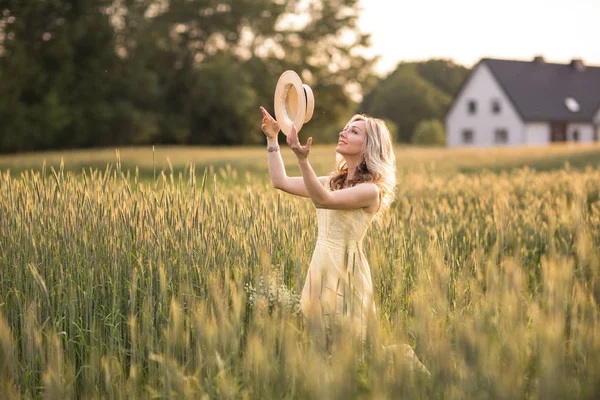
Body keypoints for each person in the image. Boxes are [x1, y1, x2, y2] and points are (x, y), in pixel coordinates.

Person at [259, 106, 429, 373]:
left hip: (347, 273)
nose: (343, 132)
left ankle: (408, 376)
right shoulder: (333, 182)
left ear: (369, 146)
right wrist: (272, 139)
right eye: (346, 128)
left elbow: (323, 200)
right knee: (323, 346)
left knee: (356, 351)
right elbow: (279, 181)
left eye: (354, 131)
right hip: (321, 266)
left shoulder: (370, 191)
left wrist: (303, 160)